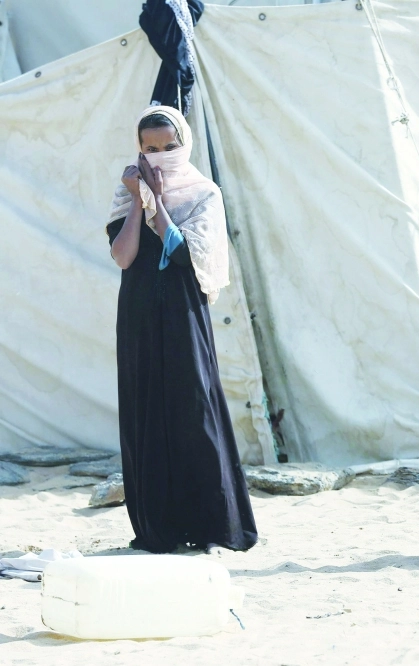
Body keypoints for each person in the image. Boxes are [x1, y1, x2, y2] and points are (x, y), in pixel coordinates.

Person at [106, 106, 257, 554]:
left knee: (193, 409)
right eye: (149, 149)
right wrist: (139, 199)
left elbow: (181, 255)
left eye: (168, 147)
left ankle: (212, 527)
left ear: (183, 144)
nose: (159, 156)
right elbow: (124, 256)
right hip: (138, 314)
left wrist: (158, 203)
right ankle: (159, 529)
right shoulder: (126, 190)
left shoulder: (203, 194)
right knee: (145, 410)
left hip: (182, 312)